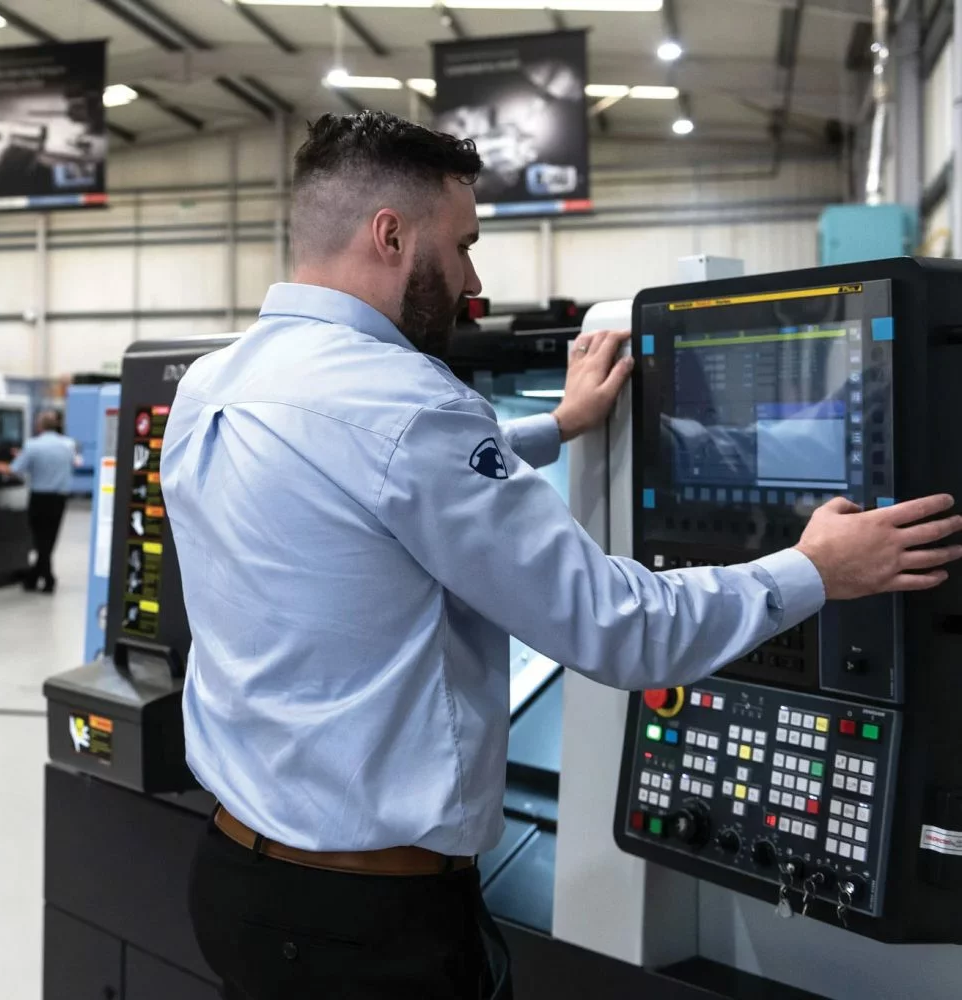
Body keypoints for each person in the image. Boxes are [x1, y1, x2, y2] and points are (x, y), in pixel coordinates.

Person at [158, 110, 962, 1000]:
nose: (472, 280)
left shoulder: (214, 381)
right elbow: (621, 628)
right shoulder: (409, 403)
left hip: (234, 881)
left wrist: (559, 426)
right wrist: (816, 570)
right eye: (462, 245)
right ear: (390, 235)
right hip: (369, 930)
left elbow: (369, 482)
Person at [0, 410, 77, 593]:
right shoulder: (69, 445)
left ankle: (48, 579)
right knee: (49, 539)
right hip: (59, 499)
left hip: (39, 498)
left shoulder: (32, 446)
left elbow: (13, 470)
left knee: (40, 539)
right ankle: (34, 578)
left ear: (40, 426)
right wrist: (23, 455)